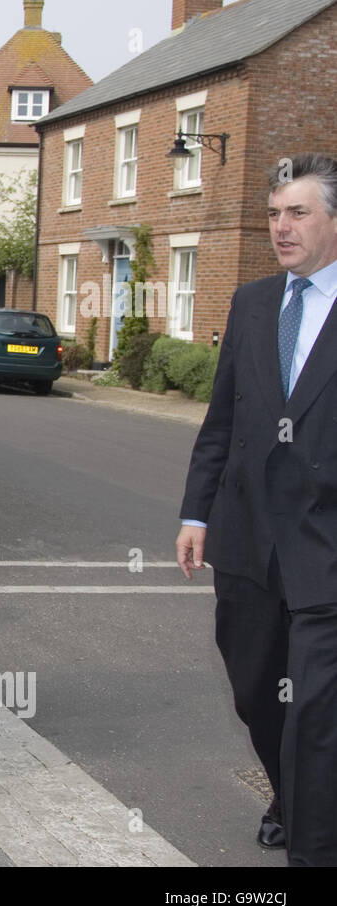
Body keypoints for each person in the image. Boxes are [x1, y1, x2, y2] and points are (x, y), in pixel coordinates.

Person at [178, 152, 337, 864]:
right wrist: (196, 515)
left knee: (315, 713)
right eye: (274, 213)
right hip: (247, 541)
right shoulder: (251, 303)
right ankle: (293, 792)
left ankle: (313, 836)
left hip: (325, 552)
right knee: (253, 691)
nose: (281, 227)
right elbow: (220, 423)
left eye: (298, 212)